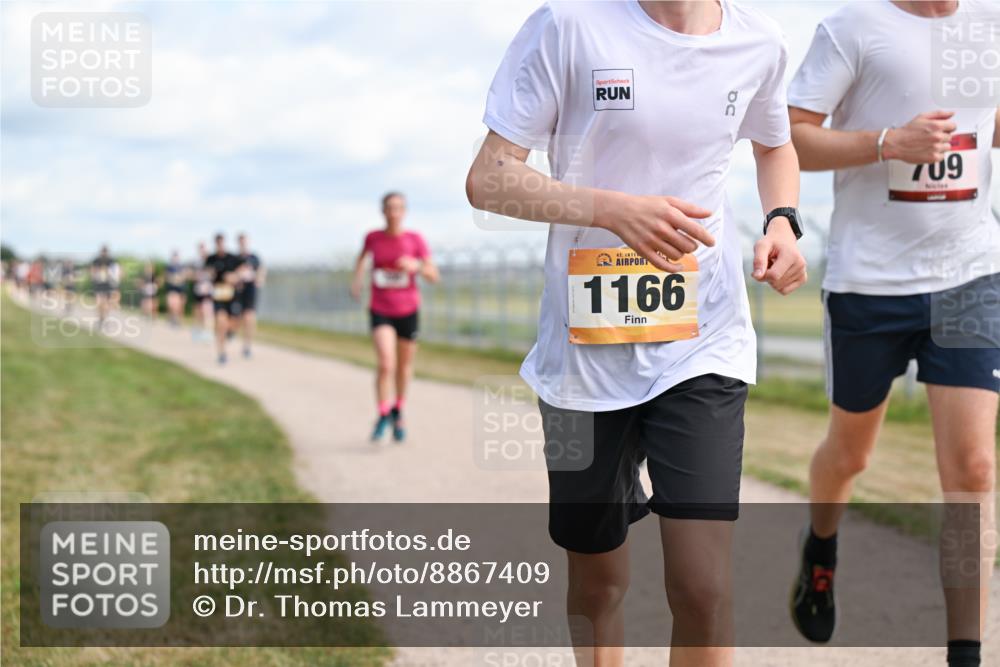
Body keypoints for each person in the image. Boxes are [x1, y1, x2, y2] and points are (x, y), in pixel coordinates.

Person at [466, 2, 806, 665]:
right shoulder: (566, 25)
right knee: (598, 585)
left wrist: (784, 219)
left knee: (704, 588)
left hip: (704, 342)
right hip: (582, 359)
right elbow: (488, 178)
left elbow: (775, 141)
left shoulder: (759, 41)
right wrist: (611, 209)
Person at [786, 3, 1000, 665]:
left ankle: (964, 652)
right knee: (851, 455)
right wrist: (887, 142)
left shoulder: (991, 26)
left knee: (972, 466)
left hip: (970, 275)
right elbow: (792, 136)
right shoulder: (852, 29)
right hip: (869, 284)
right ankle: (821, 545)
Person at [351, 192, 439, 443]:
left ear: (404, 211)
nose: (394, 212)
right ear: (383, 211)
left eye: (399, 208)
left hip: (408, 310)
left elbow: (434, 275)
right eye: (389, 208)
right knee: (386, 363)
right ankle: (382, 413)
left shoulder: (415, 240)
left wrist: (417, 266)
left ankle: (398, 410)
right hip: (380, 308)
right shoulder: (373, 237)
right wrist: (356, 281)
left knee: (403, 367)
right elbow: (361, 259)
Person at [204, 233, 242, 364]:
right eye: (218, 243)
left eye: (222, 242)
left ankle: (230, 332)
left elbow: (242, 271)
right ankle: (222, 353)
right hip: (219, 294)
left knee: (234, 322)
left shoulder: (232, 258)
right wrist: (210, 274)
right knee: (221, 322)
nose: (220, 245)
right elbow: (205, 273)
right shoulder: (211, 259)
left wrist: (234, 276)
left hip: (231, 295)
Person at [234, 233, 265, 359]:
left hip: (250, 290)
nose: (243, 244)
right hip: (237, 291)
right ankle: (232, 333)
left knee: (249, 317)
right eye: (241, 242)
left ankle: (247, 346)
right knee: (237, 318)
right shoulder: (235, 259)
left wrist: (260, 279)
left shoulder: (254, 257)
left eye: (245, 241)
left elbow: (261, 270)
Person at [192, 242, 215, 342]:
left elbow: (214, 275)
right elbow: (194, 275)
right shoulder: (197, 262)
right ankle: (201, 330)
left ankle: (209, 332)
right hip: (199, 289)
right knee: (199, 310)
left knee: (207, 310)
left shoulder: (211, 261)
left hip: (208, 289)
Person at [90, 246, 115, 326]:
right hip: (99, 284)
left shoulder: (111, 261)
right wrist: (94, 275)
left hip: (107, 284)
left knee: (106, 303)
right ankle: (101, 318)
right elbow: (92, 270)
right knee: (99, 302)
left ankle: (104, 317)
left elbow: (116, 271)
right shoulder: (96, 260)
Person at [164, 250, 188, 327]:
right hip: (172, 289)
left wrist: (176, 279)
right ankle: (172, 319)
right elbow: (167, 277)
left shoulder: (182, 267)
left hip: (180, 290)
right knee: (171, 305)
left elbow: (183, 277)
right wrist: (175, 279)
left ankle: (178, 321)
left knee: (179, 306)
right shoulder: (169, 267)